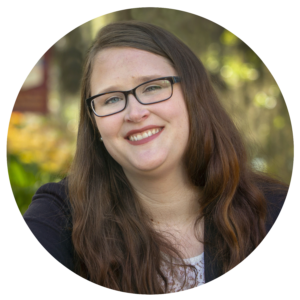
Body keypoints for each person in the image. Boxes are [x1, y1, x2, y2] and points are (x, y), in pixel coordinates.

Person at [22, 20, 290, 294]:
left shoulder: (273, 208)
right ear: (95, 125)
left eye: (152, 87)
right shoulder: (62, 216)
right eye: (111, 99)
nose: (135, 113)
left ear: (194, 96)